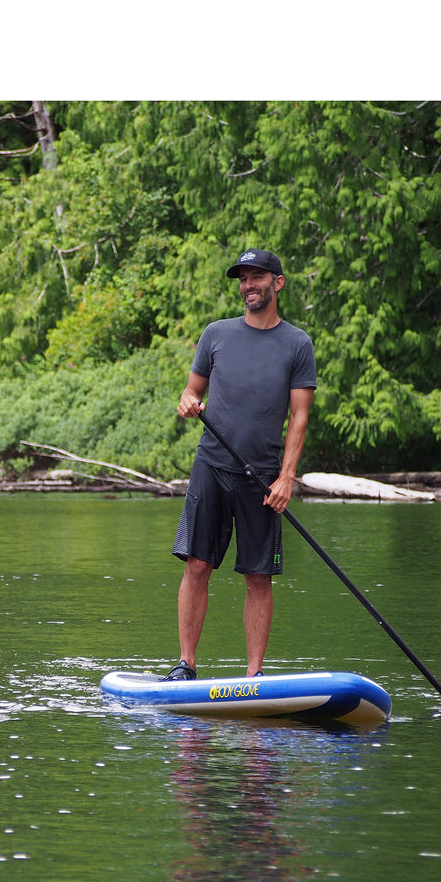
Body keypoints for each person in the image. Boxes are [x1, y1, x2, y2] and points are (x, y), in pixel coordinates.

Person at [165, 248, 316, 681]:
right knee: (197, 565)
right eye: (243, 279)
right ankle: (186, 665)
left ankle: (254, 676)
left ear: (277, 283)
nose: (248, 285)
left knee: (258, 577)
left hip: (263, 477)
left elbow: (299, 417)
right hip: (212, 465)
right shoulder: (216, 334)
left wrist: (286, 478)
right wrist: (188, 402)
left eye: (257, 277)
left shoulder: (297, 344)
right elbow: (191, 392)